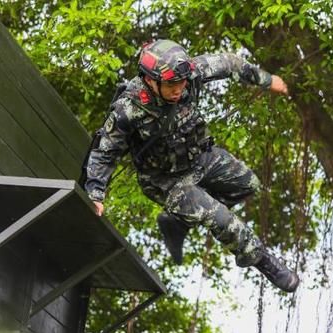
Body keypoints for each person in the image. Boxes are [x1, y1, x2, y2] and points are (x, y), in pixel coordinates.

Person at [84, 39, 299, 292]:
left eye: (182, 83)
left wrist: (267, 79)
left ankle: (177, 222)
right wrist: (95, 193)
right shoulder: (128, 109)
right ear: (151, 80)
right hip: (166, 182)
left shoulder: (191, 72)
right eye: (172, 85)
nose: (179, 89)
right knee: (220, 218)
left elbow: (230, 63)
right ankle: (264, 262)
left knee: (247, 184)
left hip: (200, 159)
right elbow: (104, 152)